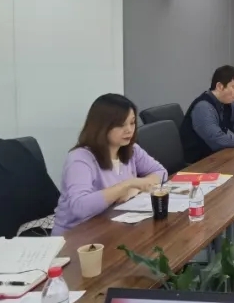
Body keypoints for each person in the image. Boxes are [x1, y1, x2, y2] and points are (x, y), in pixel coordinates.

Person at [53, 94, 167, 235]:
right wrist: (128, 184)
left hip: (111, 227)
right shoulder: (80, 158)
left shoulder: (131, 150)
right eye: (121, 125)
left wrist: (135, 189)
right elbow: (80, 207)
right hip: (76, 236)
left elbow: (161, 172)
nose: (129, 130)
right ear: (102, 126)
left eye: (132, 123)